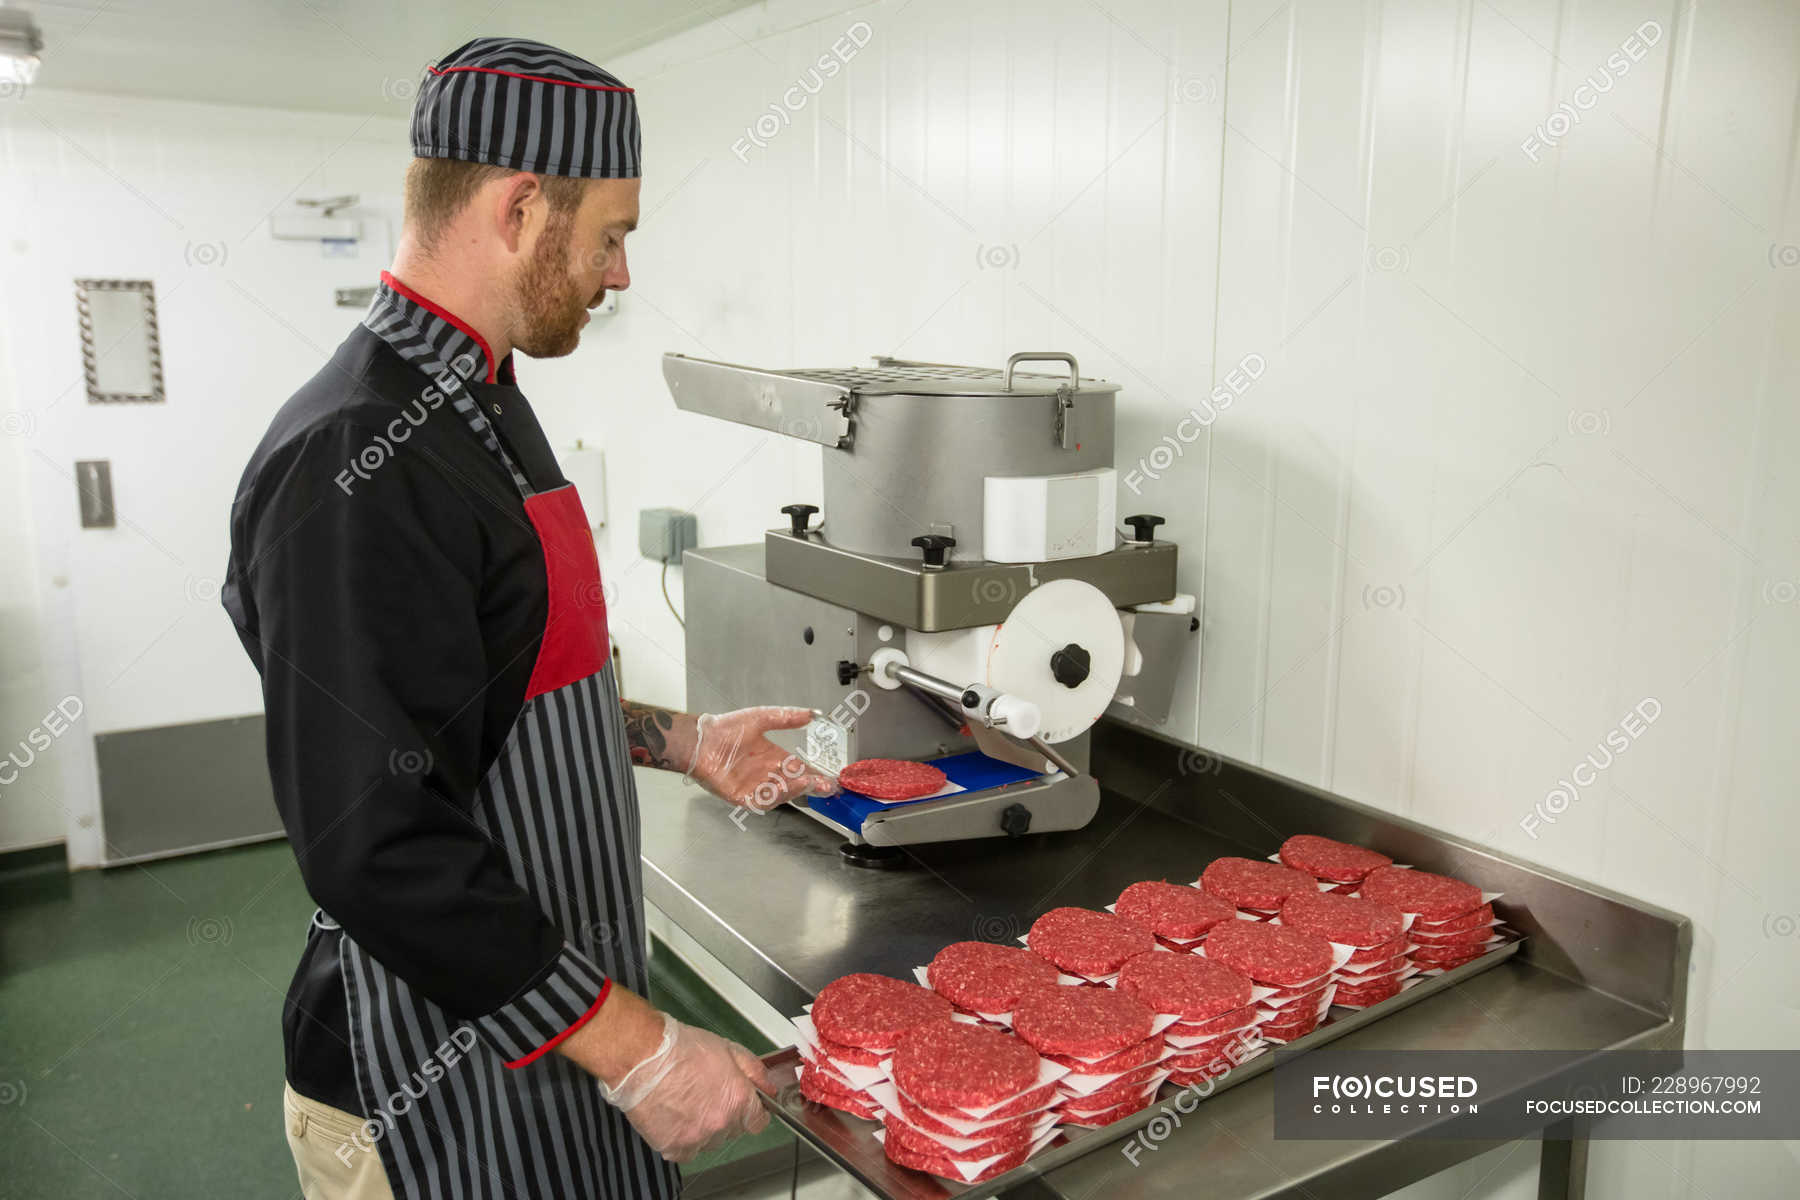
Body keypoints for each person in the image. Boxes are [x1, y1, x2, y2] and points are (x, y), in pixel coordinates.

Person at [221, 36, 836, 1200]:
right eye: (611, 236)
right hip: (425, 1075)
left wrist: (679, 740)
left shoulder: (481, 403)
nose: (618, 277)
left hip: (547, 1044)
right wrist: (643, 1048)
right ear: (518, 207)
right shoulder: (356, 453)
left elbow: (492, 688)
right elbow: (374, 841)